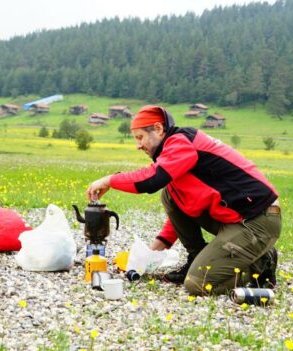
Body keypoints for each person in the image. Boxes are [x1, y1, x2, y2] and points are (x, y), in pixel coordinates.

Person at [86, 105, 281, 295]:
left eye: (140, 137)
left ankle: (261, 264)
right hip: (235, 219)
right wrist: (153, 251)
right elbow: (182, 207)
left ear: (158, 129)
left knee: (197, 283)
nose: (138, 145)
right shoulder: (175, 154)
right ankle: (198, 255)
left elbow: (151, 180)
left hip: (257, 220)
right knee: (170, 194)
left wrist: (110, 180)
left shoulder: (182, 142)